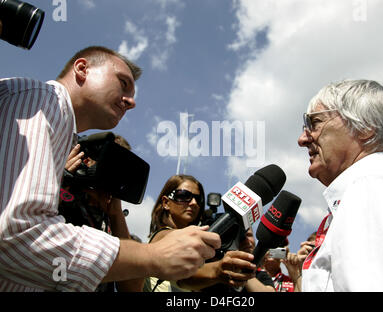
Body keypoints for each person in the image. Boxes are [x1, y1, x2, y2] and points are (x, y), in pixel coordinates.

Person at [0, 46, 220, 291]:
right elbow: (16, 237)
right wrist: (152, 256)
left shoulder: (61, 128)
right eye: (123, 83)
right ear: (82, 69)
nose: (132, 101)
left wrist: (114, 212)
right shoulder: (43, 100)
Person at [297, 79, 383, 291]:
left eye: (314, 123)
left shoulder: (376, 187)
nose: (302, 139)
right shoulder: (373, 189)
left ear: (366, 128)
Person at [143, 174, 256, 292]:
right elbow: (184, 275)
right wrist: (217, 269)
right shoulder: (162, 236)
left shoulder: (199, 247)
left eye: (198, 199)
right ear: (166, 202)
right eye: (184, 195)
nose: (193, 203)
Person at [61, 132, 143, 292]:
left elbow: (131, 288)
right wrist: (63, 180)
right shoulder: (62, 195)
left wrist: (116, 214)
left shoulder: (111, 218)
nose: (114, 172)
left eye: (121, 169)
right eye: (110, 163)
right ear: (85, 159)